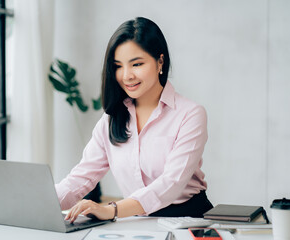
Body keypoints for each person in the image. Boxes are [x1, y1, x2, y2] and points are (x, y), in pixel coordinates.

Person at [55, 17, 213, 223]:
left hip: (187, 220)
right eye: (118, 66)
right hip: (135, 221)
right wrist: (38, 203)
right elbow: (81, 178)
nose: (127, 75)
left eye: (137, 64)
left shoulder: (190, 114)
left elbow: (171, 183)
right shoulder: (111, 120)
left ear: (160, 62)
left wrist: (111, 209)